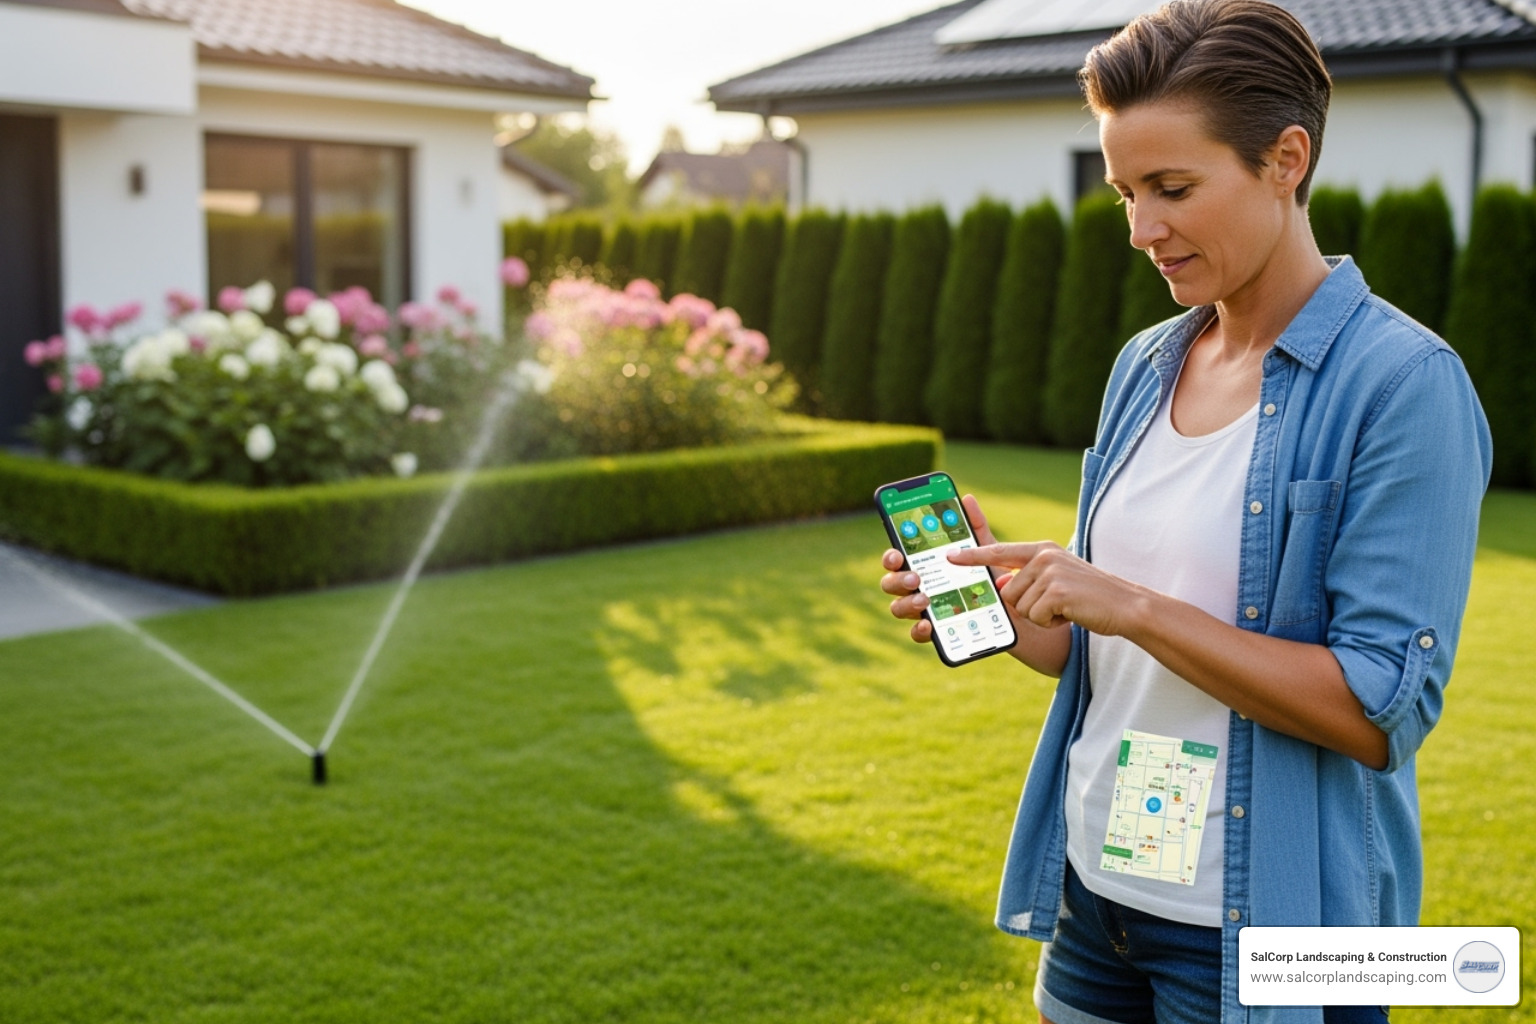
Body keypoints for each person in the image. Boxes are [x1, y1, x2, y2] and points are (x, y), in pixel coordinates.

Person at [879, 2, 1492, 1022]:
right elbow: (1113, 656)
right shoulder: (1146, 363)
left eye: (1172, 188)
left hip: (1277, 922)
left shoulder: (1405, 383)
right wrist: (1027, 616)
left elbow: (1380, 709)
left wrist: (1128, 603)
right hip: (1101, 895)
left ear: (1286, 159)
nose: (1139, 229)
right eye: (1125, 191)